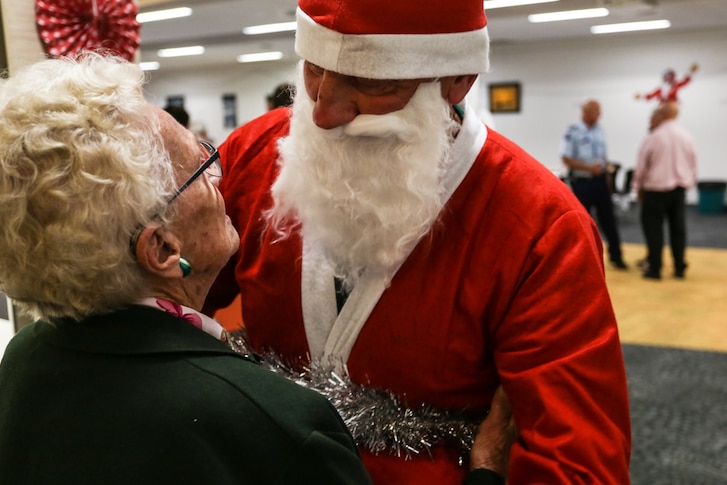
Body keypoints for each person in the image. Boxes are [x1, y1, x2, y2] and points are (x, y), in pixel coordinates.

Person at [204, 0, 632, 483]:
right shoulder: (255, 153)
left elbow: (577, 462)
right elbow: (157, 306)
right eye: (314, 69)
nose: (323, 112)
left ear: (458, 79)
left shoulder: (540, 225)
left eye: (368, 81)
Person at [0, 54, 373, 484]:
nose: (220, 178)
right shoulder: (273, 422)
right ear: (161, 248)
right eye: (201, 166)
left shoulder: (23, 360)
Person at [632, 102, 698, 280]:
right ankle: (679, 267)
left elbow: (642, 165)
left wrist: (638, 186)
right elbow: (693, 162)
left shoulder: (654, 137)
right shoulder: (686, 135)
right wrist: (689, 182)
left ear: (660, 116)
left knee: (654, 229)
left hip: (655, 190)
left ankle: (655, 268)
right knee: (678, 229)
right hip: (679, 189)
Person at [561, 99, 629, 270]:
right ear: (586, 112)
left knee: (609, 220)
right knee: (582, 222)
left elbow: (603, 156)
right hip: (582, 183)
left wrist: (607, 175)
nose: (600, 116)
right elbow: (566, 158)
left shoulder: (600, 131)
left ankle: (616, 256)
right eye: (596, 112)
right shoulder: (573, 132)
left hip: (600, 182)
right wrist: (588, 168)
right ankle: (580, 260)